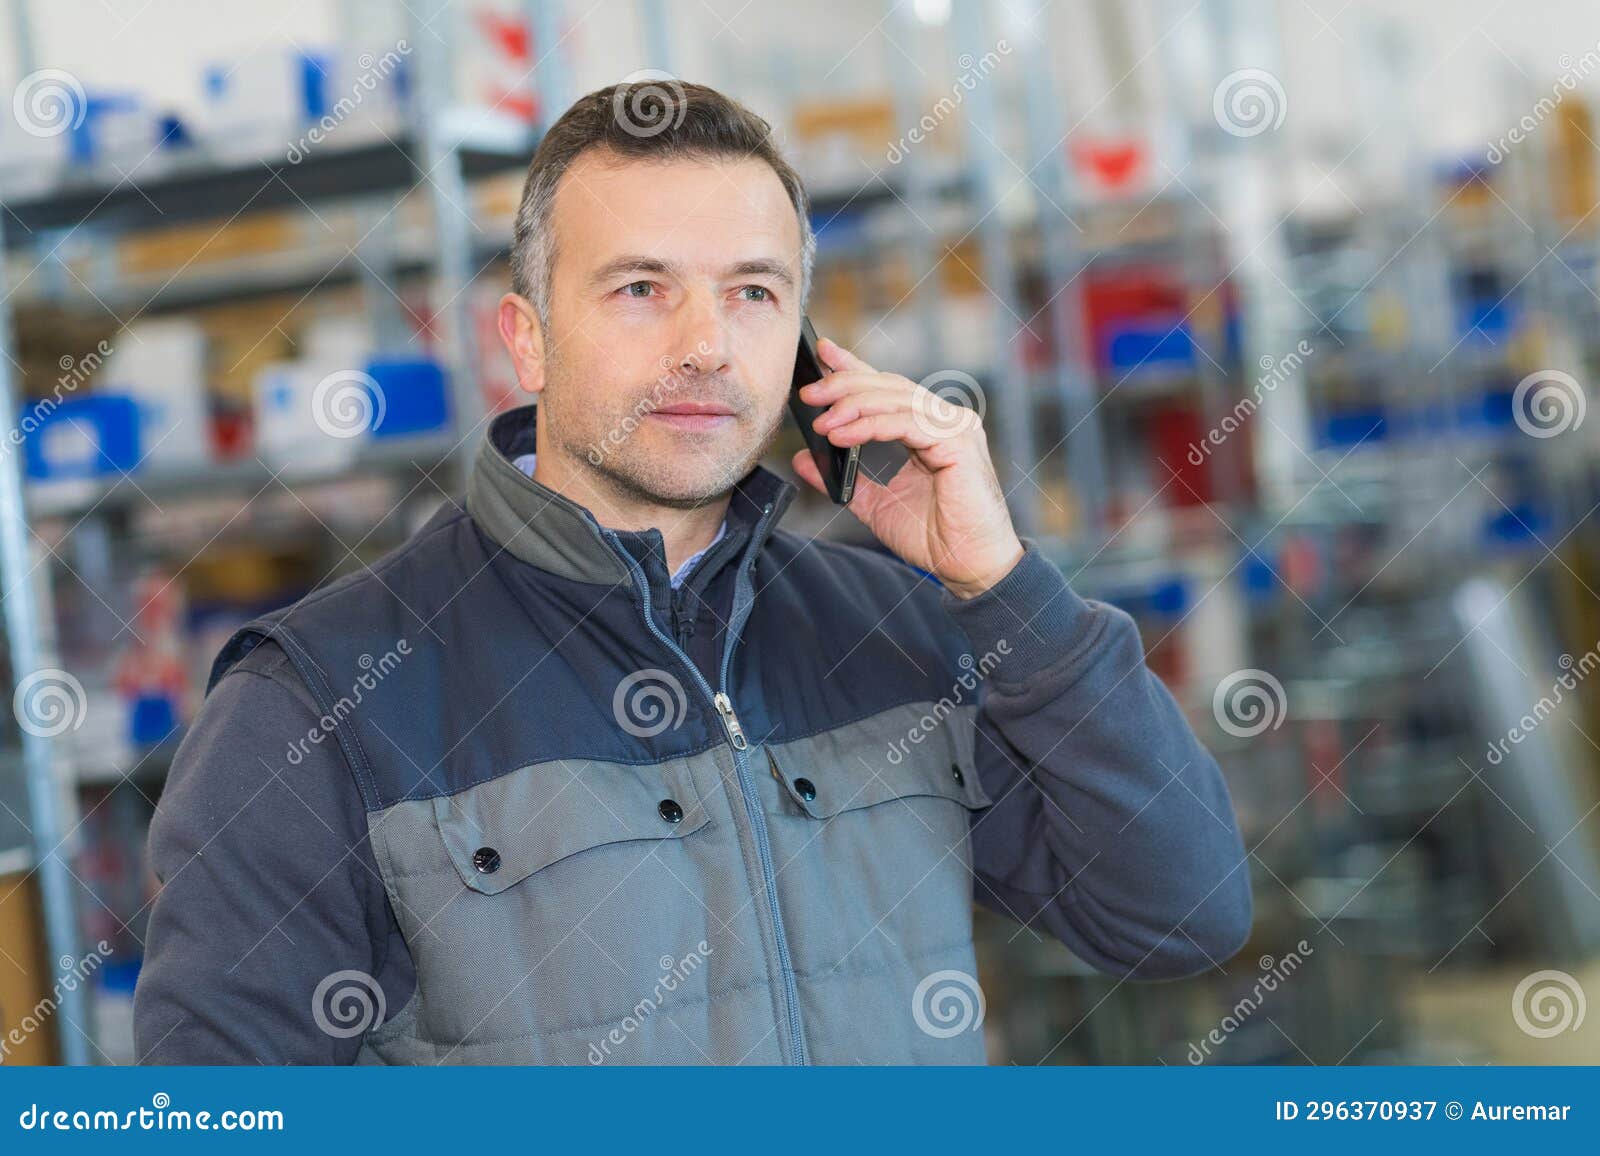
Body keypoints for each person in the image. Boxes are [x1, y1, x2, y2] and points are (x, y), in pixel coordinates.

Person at [134, 79, 1251, 1065]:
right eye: (640, 288)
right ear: (523, 340)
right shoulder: (317, 703)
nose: (707, 345)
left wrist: (1002, 586)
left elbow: (1181, 910)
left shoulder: (897, 630)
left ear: (806, 342)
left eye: (753, 292)